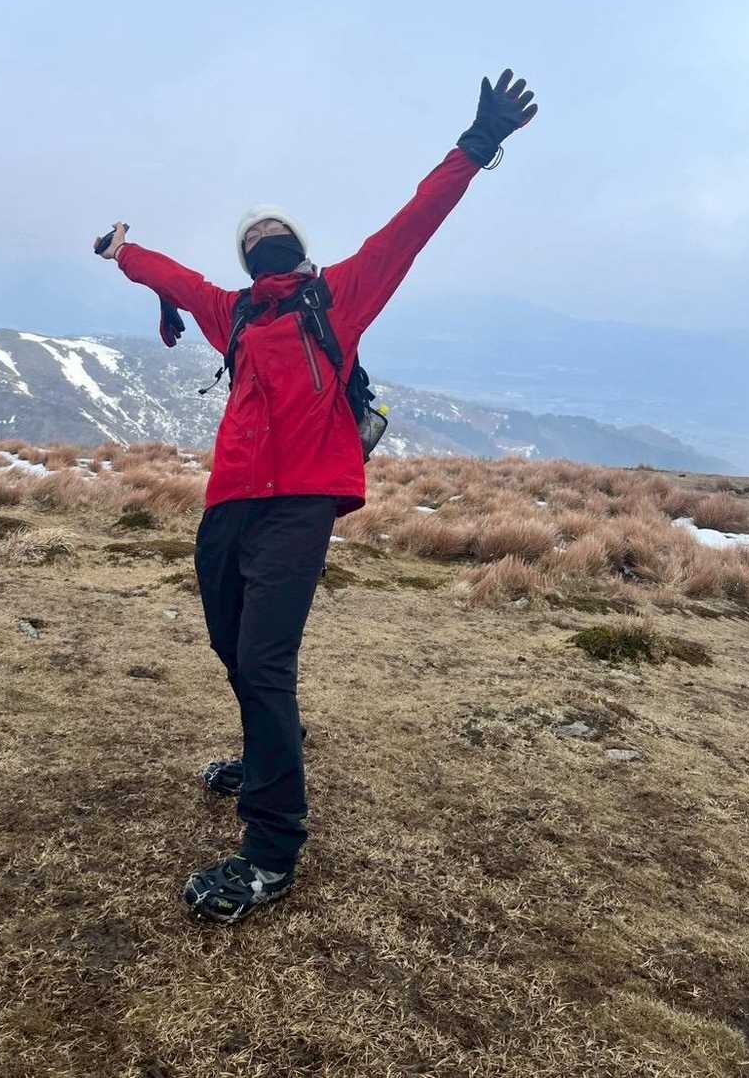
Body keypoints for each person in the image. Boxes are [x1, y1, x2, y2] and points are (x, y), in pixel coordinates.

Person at [97, 68, 539, 923]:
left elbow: (412, 224)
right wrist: (123, 255)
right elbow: (176, 277)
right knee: (231, 646)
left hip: (301, 502)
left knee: (265, 661)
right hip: (229, 501)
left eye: (276, 232)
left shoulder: (339, 296)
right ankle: (271, 751)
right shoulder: (232, 312)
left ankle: (272, 849)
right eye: (252, 236)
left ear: (296, 248)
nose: (264, 237)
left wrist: (477, 143)